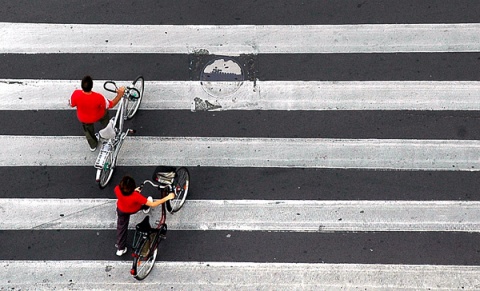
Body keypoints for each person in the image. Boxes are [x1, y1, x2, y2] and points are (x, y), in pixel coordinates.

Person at [114, 175, 175, 256]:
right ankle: (145, 208)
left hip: (121, 210)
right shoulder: (136, 196)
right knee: (146, 203)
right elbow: (153, 204)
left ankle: (120, 249)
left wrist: (133, 191)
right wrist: (167, 197)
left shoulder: (117, 189)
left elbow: (126, 194)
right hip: (133, 209)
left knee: (121, 228)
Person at [69, 75, 125, 151]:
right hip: (99, 115)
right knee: (105, 115)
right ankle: (107, 129)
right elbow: (111, 105)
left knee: (88, 131)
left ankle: (93, 145)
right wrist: (120, 95)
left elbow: (72, 104)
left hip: (84, 118)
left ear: (82, 86)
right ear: (92, 86)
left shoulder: (76, 94)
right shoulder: (98, 97)